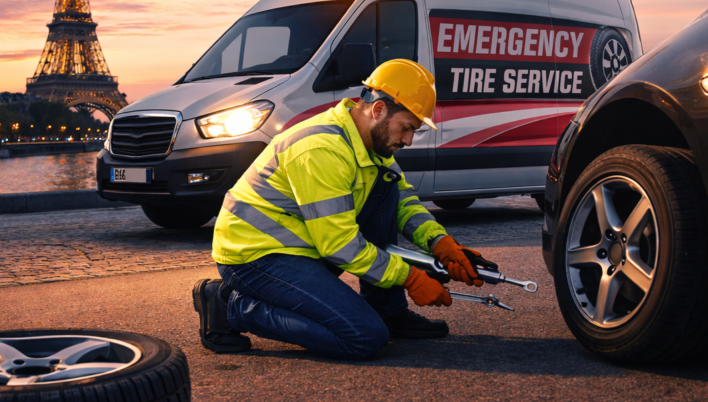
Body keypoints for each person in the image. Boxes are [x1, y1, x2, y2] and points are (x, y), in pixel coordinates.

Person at [193, 59, 489, 360]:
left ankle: (388, 310)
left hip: (305, 247)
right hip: (255, 257)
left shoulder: (372, 145)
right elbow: (340, 245)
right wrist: (410, 278)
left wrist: (439, 242)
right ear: (379, 110)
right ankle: (230, 306)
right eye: (407, 128)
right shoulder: (322, 149)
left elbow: (400, 201)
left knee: (386, 185)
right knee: (363, 337)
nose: (409, 140)